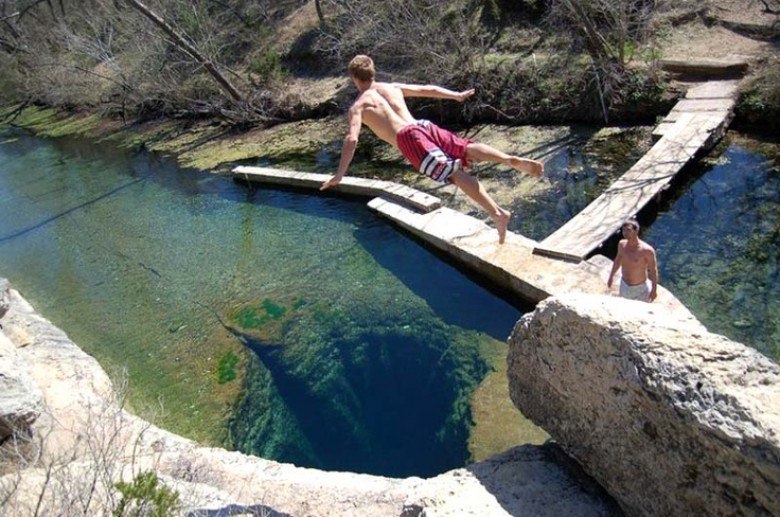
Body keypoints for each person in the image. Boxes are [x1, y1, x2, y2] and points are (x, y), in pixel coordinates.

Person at [320, 54, 544, 244]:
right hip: (422, 125)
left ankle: (497, 214)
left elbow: (352, 139)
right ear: (373, 72)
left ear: (354, 78)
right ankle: (507, 159)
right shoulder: (392, 87)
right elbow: (427, 89)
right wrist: (455, 95)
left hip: (408, 139)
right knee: (465, 147)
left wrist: (340, 174)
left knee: (453, 174)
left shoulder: (359, 105)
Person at [607, 218, 659, 302]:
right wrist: (611, 276)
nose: (625, 233)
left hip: (640, 288)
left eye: (628, 230)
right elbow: (617, 261)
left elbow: (653, 270)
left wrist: (654, 289)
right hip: (624, 286)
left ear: (636, 231)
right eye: (623, 230)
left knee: (642, 309)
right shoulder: (621, 245)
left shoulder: (647, 250)